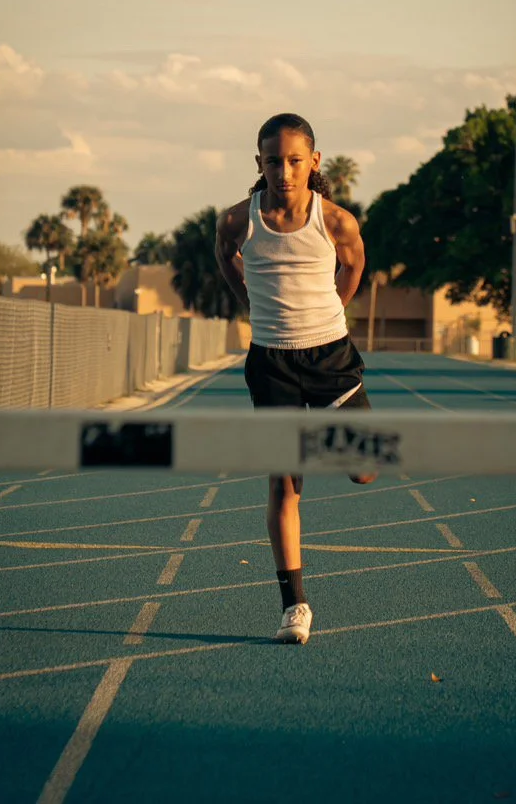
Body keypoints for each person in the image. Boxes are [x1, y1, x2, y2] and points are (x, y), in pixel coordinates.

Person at [215, 113, 376, 645]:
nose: (283, 171)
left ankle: (329, 438)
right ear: (258, 164)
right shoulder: (239, 221)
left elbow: (352, 271)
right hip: (272, 365)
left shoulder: (336, 222)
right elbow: (226, 261)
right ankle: (294, 606)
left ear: (314, 161)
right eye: (272, 161)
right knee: (284, 484)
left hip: (331, 357)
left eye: (293, 160)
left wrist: (332, 312)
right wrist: (251, 305)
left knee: (367, 470)